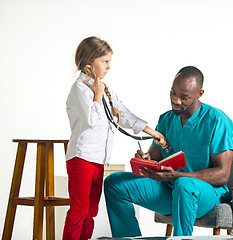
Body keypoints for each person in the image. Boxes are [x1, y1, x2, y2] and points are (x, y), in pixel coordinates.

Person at [104, 66, 233, 237]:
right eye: (173, 93)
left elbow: (222, 174)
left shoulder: (217, 120)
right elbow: (155, 159)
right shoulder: (166, 119)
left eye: (184, 97)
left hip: (207, 194)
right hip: (170, 189)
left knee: (184, 185)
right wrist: (145, 160)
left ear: (199, 94)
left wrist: (179, 176)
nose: (176, 100)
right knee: (114, 183)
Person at [63, 36, 167, 240]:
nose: (109, 66)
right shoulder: (80, 90)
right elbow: (91, 120)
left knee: (91, 212)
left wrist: (152, 132)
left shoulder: (103, 89)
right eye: (105, 61)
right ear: (89, 64)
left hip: (98, 160)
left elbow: (125, 114)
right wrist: (96, 95)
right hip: (81, 157)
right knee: (79, 211)